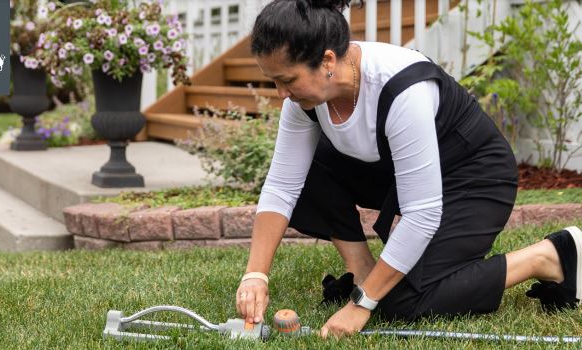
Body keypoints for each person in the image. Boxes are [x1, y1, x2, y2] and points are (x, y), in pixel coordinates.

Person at [235, 0, 582, 339]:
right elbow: (283, 185)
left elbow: (422, 215)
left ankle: (549, 256)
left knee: (403, 301)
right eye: (274, 81)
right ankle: (362, 272)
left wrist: (362, 305)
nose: (281, 93)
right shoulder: (305, 98)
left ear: (327, 60)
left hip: (473, 176)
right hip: (401, 174)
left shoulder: (402, 88)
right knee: (310, 165)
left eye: (286, 80)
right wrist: (256, 274)